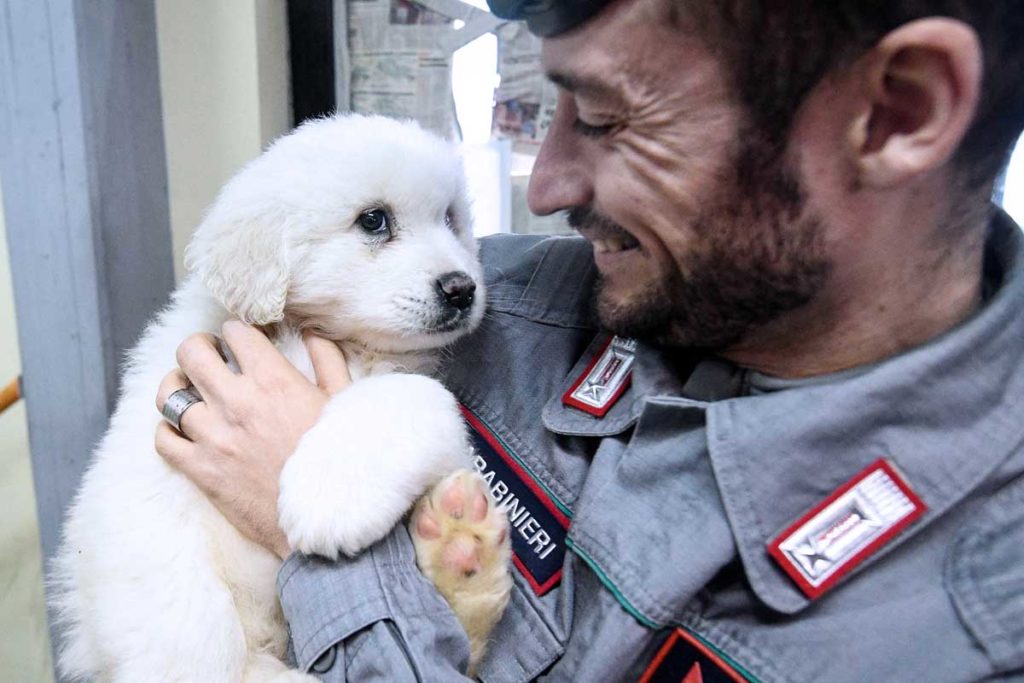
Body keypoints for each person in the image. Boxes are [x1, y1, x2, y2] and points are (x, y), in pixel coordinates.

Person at [155, 0, 1024, 680]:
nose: (551, 184)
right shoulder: (516, 301)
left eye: (609, 119)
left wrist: (308, 526)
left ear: (898, 111)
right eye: (556, 104)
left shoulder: (978, 628)